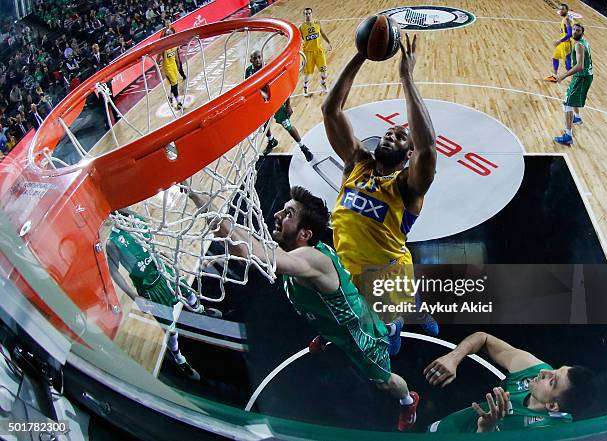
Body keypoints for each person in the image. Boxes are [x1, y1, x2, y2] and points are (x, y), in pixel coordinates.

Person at [189, 187, 420, 431]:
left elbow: (249, 251)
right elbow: (254, 248)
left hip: (360, 334)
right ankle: (386, 328)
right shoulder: (296, 251)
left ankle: (408, 401)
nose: (277, 214)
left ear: (305, 234)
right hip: (335, 318)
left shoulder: (311, 260)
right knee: (332, 318)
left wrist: (199, 197)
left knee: (384, 382)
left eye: (288, 214)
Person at [321, 34, 438, 334]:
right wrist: (362, 53)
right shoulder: (357, 162)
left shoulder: (407, 187)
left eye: (400, 137)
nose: (390, 136)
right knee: (360, 331)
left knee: (387, 335)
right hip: (348, 270)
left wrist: (406, 76)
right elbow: (330, 110)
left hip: (387, 275)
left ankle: (409, 314)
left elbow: (427, 149)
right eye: (388, 133)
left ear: (408, 154)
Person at [106, 210, 222, 380]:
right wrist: (134, 296)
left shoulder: (139, 219)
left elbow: (152, 247)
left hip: (163, 273)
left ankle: (201, 310)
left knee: (189, 293)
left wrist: (166, 257)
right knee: (170, 329)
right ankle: (179, 359)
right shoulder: (112, 242)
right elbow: (114, 272)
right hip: (150, 289)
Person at [424, 331, 595, 433]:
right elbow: (483, 338)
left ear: (553, 407)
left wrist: (486, 429)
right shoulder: (533, 370)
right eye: (555, 369)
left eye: (552, 381)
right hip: (453, 426)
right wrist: (453, 358)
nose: (544, 372)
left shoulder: (547, 433)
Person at [245, 50, 313, 160]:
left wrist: (288, 105)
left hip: (275, 102)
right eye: (255, 58)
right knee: (264, 124)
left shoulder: (270, 69)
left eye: (259, 57)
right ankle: (272, 141)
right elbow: (248, 88)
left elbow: (284, 86)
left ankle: (303, 147)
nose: (257, 60)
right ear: (251, 60)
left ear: (262, 58)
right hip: (262, 104)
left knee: (288, 126)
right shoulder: (248, 71)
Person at [553, 22, 593, 146]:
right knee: (571, 97)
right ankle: (577, 117)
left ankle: (568, 136)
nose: (575, 31)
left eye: (578, 30)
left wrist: (563, 76)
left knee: (567, 103)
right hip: (585, 76)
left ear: (582, 33)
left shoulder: (579, 46)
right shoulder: (584, 42)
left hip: (581, 77)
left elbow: (580, 66)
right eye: (574, 29)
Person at [299, 7, 332, 96]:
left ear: (312, 14)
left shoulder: (317, 23)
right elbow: (299, 40)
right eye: (306, 14)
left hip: (319, 51)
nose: (308, 15)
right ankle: (305, 88)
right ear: (304, 15)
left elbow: (322, 33)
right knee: (307, 74)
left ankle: (323, 83)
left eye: (309, 13)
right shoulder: (301, 28)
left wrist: (328, 42)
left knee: (324, 72)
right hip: (308, 53)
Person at [544, 4, 573, 83]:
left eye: (563, 9)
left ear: (567, 10)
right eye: (560, 9)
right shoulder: (566, 18)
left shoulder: (567, 20)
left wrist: (559, 41)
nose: (561, 11)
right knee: (555, 57)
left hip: (567, 44)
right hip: (563, 42)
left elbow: (570, 34)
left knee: (568, 67)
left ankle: (580, 76)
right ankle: (554, 76)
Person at [159, 27, 182, 110]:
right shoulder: (164, 47)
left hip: (173, 65)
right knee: (175, 83)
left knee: (175, 84)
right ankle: (178, 102)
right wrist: (158, 68)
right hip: (167, 67)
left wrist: (178, 63)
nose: (170, 34)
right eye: (168, 34)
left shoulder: (175, 43)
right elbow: (158, 58)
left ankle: (170, 97)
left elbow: (176, 54)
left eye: (171, 33)